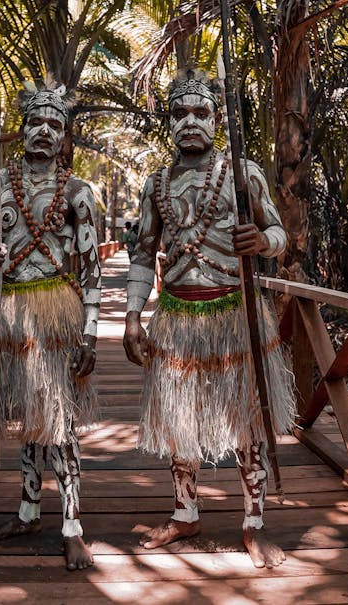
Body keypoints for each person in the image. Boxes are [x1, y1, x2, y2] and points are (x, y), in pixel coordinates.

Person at [123, 69, 295, 569]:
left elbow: (280, 234)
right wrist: (133, 317)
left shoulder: (244, 173)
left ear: (218, 120)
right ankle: (185, 512)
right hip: (177, 317)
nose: (191, 121)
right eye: (180, 113)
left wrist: (263, 242)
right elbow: (141, 255)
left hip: (236, 317)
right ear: (169, 122)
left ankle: (253, 522)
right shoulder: (156, 184)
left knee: (247, 423)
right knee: (179, 424)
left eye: (201, 112)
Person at [0, 82, 101, 570]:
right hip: (8, 320)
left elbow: (91, 271)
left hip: (56, 319)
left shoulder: (79, 193)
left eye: (55, 125)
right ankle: (27, 509)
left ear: (64, 136)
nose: (44, 131)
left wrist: (90, 334)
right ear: (20, 129)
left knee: (59, 422)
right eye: (35, 122)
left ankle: (72, 525)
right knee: (25, 417)